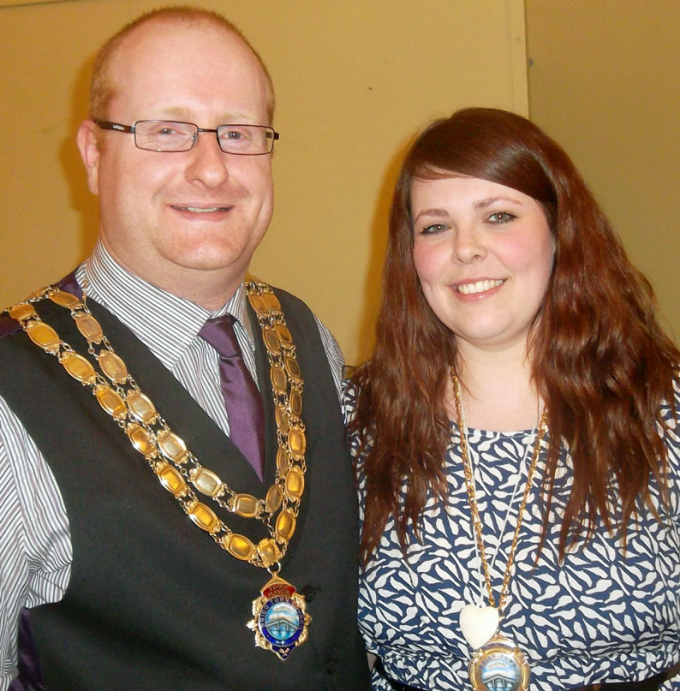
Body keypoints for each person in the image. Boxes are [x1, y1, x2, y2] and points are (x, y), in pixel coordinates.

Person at [0, 7, 370, 690]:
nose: (211, 167)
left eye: (238, 132)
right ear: (92, 154)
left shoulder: (305, 331)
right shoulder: (9, 390)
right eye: (166, 131)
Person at [345, 107, 680, 690]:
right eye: (435, 226)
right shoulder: (355, 420)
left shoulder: (665, 410)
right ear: (410, 255)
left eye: (498, 216)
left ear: (560, 231)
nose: (466, 249)